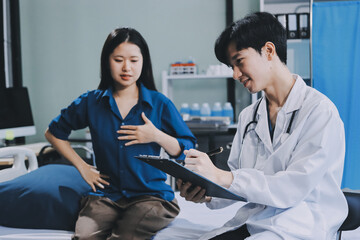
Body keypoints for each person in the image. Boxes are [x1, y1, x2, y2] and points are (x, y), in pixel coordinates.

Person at [177, 12, 347, 240]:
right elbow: (238, 182)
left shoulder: (319, 111)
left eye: (239, 62)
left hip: (303, 222)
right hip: (257, 220)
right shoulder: (250, 116)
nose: (235, 74)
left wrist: (222, 176)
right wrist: (206, 192)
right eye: (231, 66)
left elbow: (293, 188)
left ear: (268, 51)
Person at [45, 27, 196, 240]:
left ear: (143, 63)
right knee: (85, 237)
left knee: (125, 236)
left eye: (134, 60)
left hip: (150, 196)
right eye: (118, 60)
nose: (127, 67)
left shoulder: (159, 103)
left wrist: (157, 136)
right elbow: (53, 133)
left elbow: (188, 149)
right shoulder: (91, 102)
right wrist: (83, 168)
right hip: (107, 196)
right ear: (107, 61)